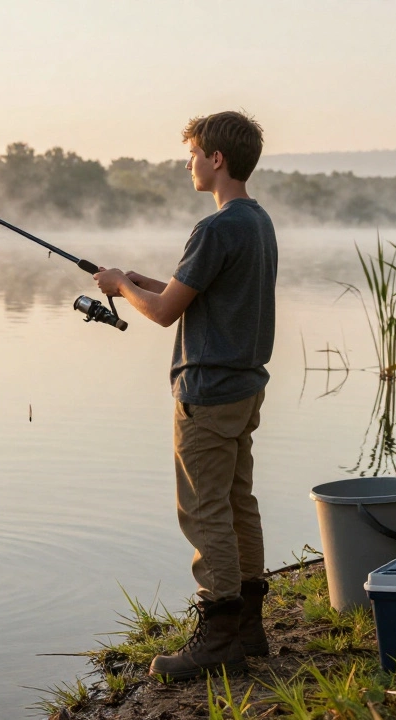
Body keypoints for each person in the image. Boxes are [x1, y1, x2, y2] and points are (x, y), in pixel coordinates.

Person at [93, 111, 277, 679]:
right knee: (238, 503)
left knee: (204, 512)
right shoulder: (257, 222)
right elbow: (190, 294)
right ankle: (248, 631)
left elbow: (167, 311)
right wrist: (135, 281)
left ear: (216, 159)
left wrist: (121, 285)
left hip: (208, 393)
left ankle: (218, 637)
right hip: (244, 390)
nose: (189, 163)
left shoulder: (215, 227)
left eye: (194, 153)